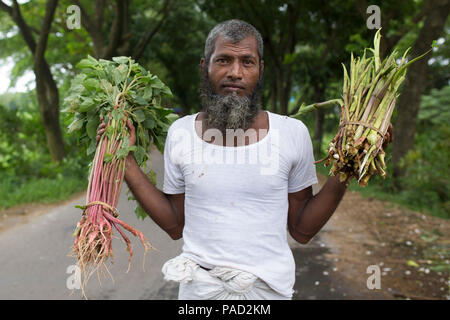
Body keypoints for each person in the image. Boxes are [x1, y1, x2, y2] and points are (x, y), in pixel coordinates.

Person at [96, 19, 393, 300]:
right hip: (200, 293)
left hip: (267, 292)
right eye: (223, 60)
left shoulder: (291, 133)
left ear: (260, 70)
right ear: (205, 67)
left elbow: (302, 230)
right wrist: (126, 160)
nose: (235, 72)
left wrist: (348, 165)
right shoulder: (180, 132)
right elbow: (175, 225)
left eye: (247, 62)